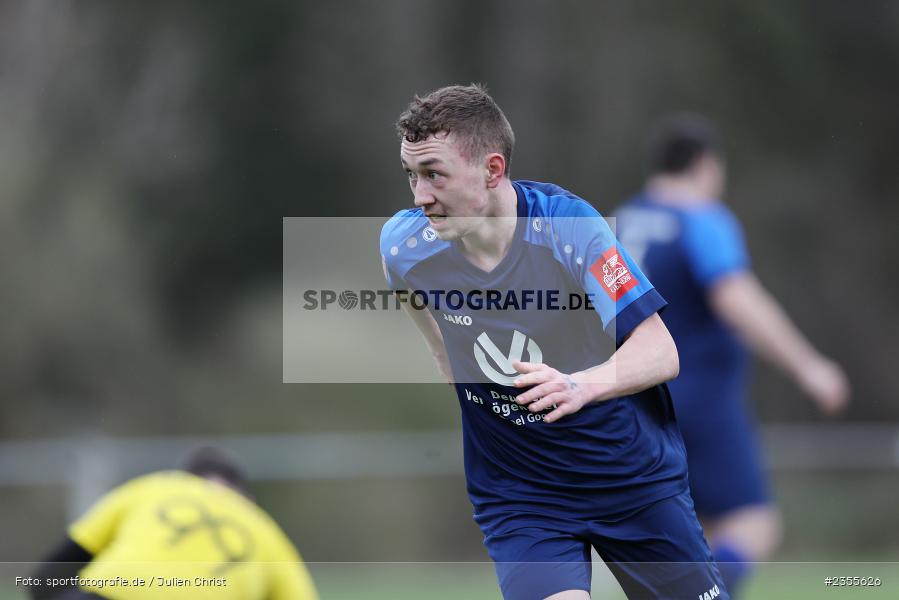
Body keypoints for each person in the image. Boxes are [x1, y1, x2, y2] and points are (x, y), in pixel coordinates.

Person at [381, 84, 729, 600]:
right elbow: (423, 315)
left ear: (492, 170)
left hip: (631, 481)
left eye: (434, 174)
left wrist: (578, 385)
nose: (419, 196)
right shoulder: (405, 246)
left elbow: (661, 351)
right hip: (521, 497)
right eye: (411, 175)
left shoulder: (570, 228)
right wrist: (444, 356)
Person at [614, 114, 850, 597]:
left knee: (687, 533)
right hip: (700, 401)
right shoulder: (701, 218)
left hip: (633, 402)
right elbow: (735, 298)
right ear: (705, 165)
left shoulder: (622, 219)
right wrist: (808, 366)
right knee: (753, 522)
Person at [29, 446, 319, 600]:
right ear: (248, 500)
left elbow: (43, 580)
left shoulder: (154, 486)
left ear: (185, 477)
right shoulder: (267, 532)